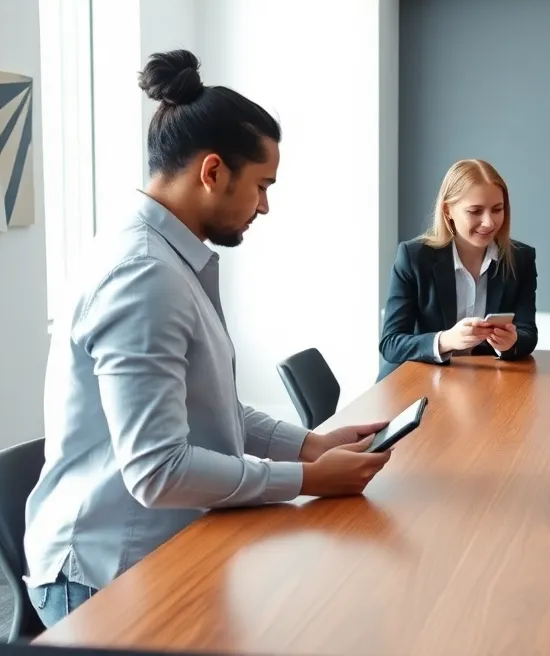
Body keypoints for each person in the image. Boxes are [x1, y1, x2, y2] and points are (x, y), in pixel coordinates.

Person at [24, 50, 393, 627]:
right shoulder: (144, 275)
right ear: (213, 171)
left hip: (161, 543)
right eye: (262, 185)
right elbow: (158, 471)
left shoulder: (169, 259)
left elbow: (209, 405)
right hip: (105, 574)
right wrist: (305, 480)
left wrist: (308, 446)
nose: (265, 206)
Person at [378, 159, 538, 381]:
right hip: (417, 382)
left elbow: (528, 334)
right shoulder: (414, 257)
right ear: (448, 210)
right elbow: (391, 343)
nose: (489, 222)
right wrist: (446, 340)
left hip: (484, 382)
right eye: (475, 211)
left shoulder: (520, 258)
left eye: (497, 209)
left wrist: (511, 343)